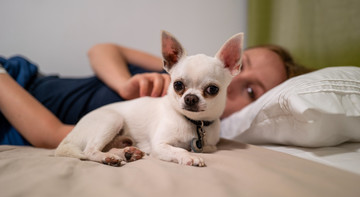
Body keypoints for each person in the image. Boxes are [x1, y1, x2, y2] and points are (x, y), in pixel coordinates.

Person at [0, 43, 311, 148]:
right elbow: (101, 49)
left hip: (14, 117)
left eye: (251, 90)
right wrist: (124, 83)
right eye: (244, 64)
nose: (237, 76)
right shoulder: (182, 68)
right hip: (24, 80)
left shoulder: (189, 131)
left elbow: (49, 134)